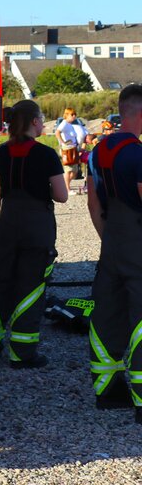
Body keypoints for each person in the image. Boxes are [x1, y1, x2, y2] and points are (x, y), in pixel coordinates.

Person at [0, 99, 68, 368]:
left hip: (7, 223)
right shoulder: (46, 154)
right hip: (37, 225)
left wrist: (1, 229)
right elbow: (61, 196)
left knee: (0, 284)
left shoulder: (0, 153)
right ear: (35, 122)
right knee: (32, 287)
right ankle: (22, 353)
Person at [85, 84, 142, 420]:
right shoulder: (137, 154)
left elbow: (93, 203)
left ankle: (107, 390)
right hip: (136, 239)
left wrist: (108, 238)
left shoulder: (98, 151)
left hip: (113, 240)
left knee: (107, 312)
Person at [55, 107, 88, 194]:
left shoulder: (70, 125)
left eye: (75, 114)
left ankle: (64, 186)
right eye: (72, 114)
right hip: (67, 149)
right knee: (68, 170)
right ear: (67, 115)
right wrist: (63, 143)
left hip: (74, 148)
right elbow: (57, 132)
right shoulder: (64, 123)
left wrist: (79, 148)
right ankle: (67, 189)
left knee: (75, 171)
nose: (74, 116)